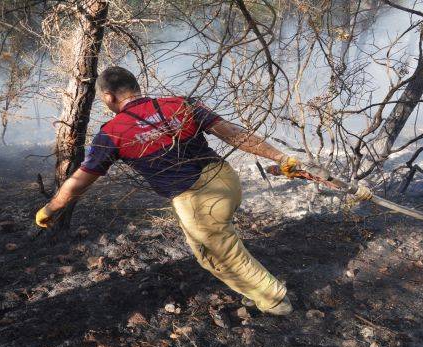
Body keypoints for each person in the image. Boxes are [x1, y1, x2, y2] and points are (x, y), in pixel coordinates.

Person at [35, 66, 372, 316]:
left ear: (108, 98)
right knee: (204, 252)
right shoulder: (179, 103)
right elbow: (233, 134)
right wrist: (281, 157)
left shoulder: (112, 132)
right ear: (137, 87)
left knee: (225, 250)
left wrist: (52, 208)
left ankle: (275, 299)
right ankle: (253, 291)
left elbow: (80, 179)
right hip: (225, 180)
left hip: (196, 199)